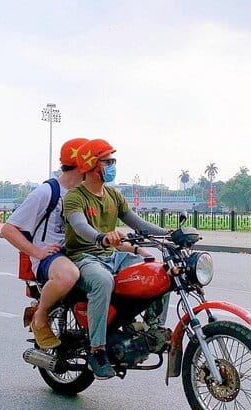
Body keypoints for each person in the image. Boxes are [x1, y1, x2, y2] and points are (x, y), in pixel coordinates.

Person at [62, 138, 170, 379]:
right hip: (83, 257)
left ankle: (151, 329)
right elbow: (80, 226)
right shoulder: (75, 197)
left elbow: (138, 223)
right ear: (91, 164)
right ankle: (97, 350)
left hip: (112, 256)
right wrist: (100, 237)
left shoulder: (113, 195)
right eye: (107, 161)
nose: (112, 166)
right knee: (103, 281)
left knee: (160, 272)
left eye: (113, 161)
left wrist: (169, 233)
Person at [1, 138, 88, 349]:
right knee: (68, 275)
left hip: (81, 253)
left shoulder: (87, 192)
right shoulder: (46, 192)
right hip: (51, 258)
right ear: (82, 164)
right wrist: (37, 252)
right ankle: (40, 317)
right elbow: (8, 229)